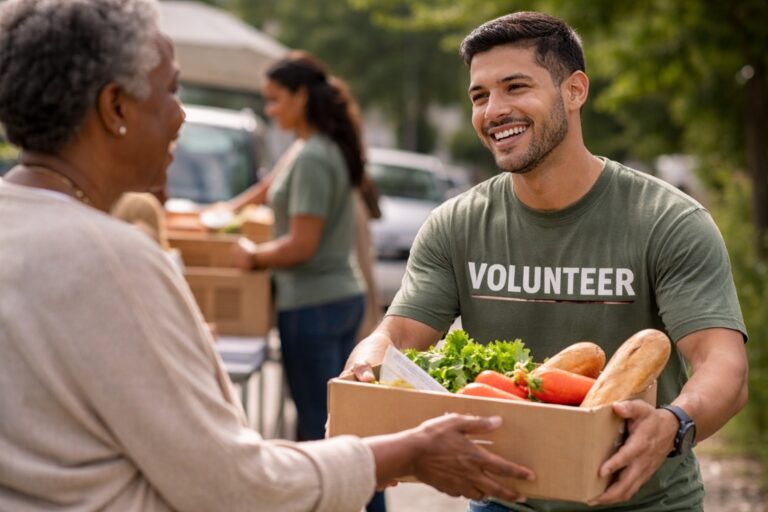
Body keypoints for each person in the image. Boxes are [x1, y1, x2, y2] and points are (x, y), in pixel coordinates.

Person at [0, 1, 534, 510]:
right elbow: (233, 484)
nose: (181, 115)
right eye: (171, 90)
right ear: (115, 107)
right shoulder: (115, 259)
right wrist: (409, 451)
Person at [345, 11, 749, 512]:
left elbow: (723, 365)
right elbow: (401, 334)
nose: (494, 110)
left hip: (644, 502)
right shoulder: (456, 224)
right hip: (504, 500)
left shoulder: (667, 220)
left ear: (575, 91)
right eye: (479, 96)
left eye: (515, 87)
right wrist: (369, 363)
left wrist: (674, 424)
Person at [229, 50, 390, 511]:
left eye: (275, 99)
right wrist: (216, 214)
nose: (269, 110)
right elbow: (263, 192)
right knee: (343, 423)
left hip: (313, 306)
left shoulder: (315, 155)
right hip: (335, 300)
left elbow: (302, 244)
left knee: (329, 429)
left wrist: (254, 257)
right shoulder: (311, 147)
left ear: (301, 96)